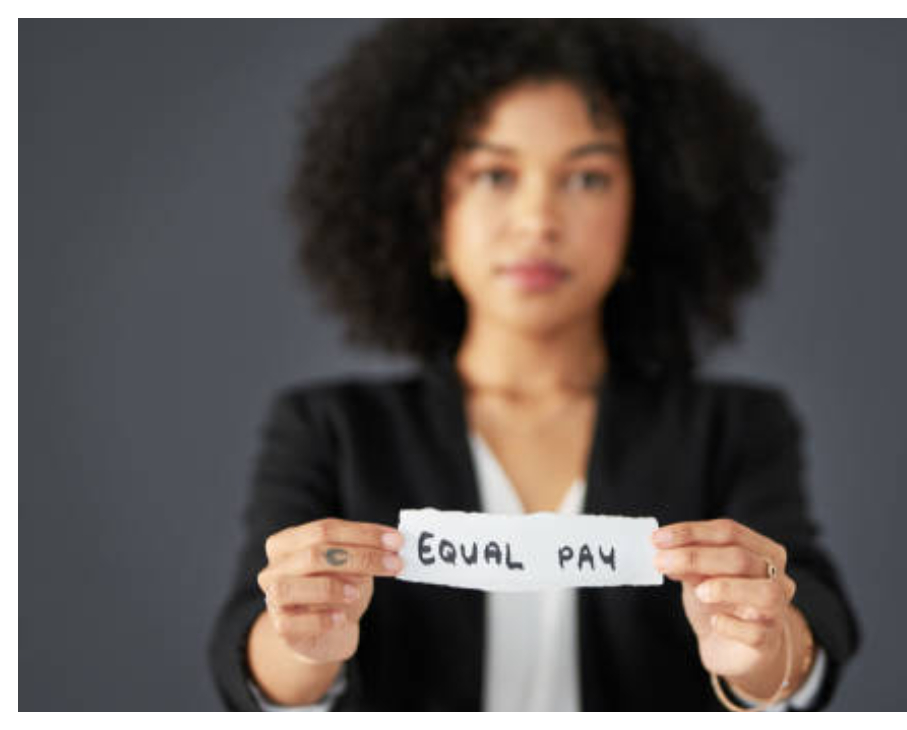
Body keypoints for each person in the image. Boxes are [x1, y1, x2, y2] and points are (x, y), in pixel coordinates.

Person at [208, 18, 860, 711]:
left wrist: (764, 653)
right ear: (428, 209)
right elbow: (245, 649)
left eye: (586, 177)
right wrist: (301, 645)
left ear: (649, 206)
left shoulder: (735, 427)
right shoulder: (330, 428)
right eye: (494, 173)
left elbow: (814, 624)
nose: (537, 219)